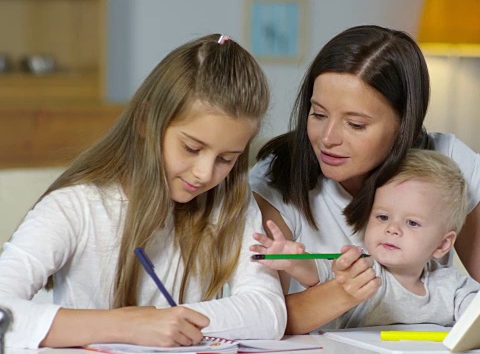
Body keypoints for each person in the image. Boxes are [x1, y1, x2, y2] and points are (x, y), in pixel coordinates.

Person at [249, 25, 480, 334]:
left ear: (405, 126)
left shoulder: (447, 163)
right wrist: (343, 291)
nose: (327, 138)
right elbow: (266, 317)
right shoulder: (277, 178)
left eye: (355, 124)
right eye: (318, 114)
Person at [0, 33, 286, 349]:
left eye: (226, 158)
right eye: (191, 148)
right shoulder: (75, 207)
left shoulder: (229, 201)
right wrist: (130, 324)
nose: (206, 174)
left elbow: (268, 310)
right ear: (146, 121)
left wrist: (166, 321)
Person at [252, 149, 480, 328]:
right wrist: (292, 259)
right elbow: (317, 270)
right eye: (382, 216)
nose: (392, 229)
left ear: (442, 244)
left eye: (411, 223)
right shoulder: (362, 268)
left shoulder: (451, 286)